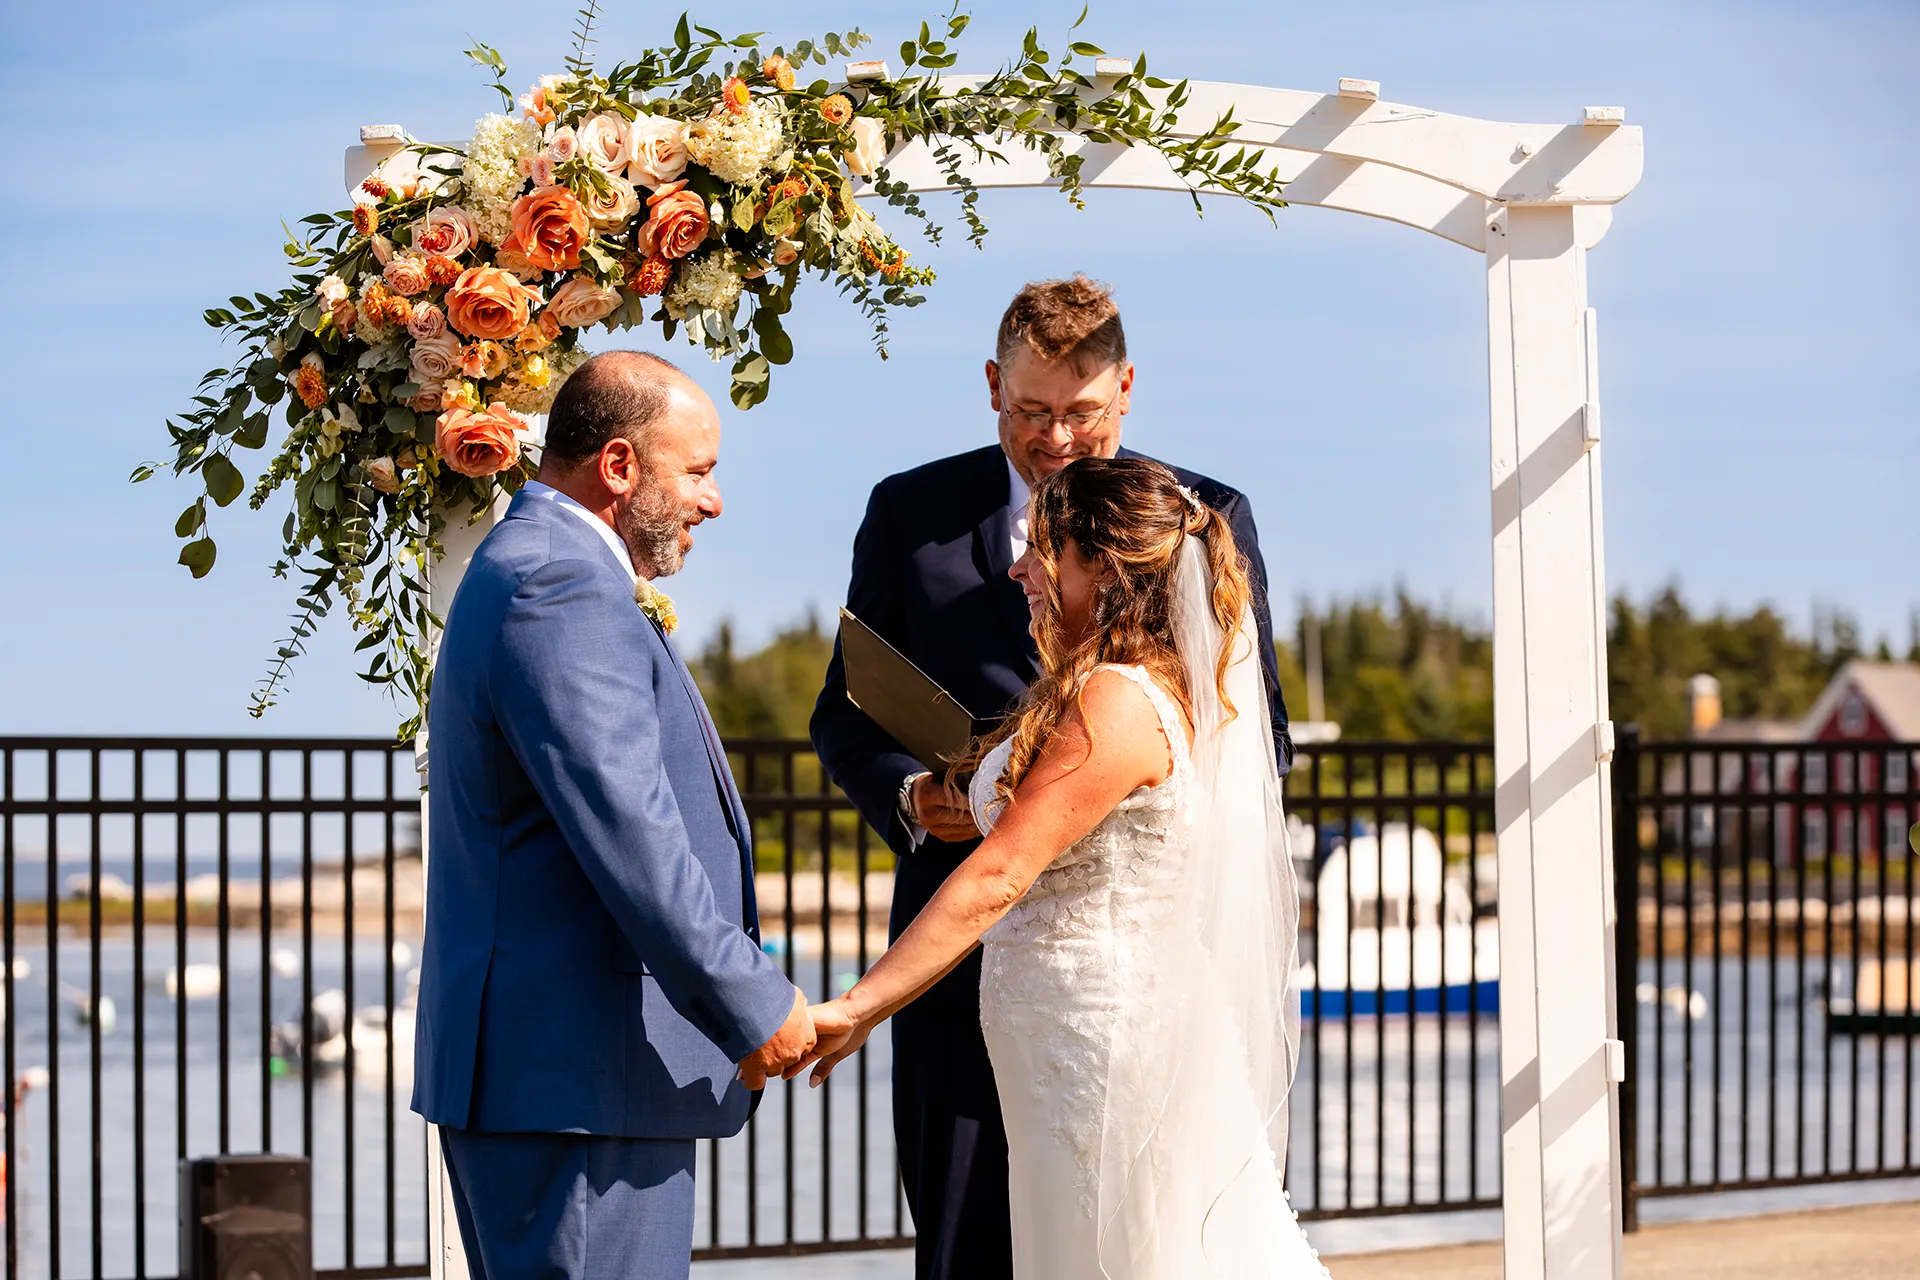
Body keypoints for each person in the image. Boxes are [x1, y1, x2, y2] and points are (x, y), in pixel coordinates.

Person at [809, 276, 1291, 1279]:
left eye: (1080, 412)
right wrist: (915, 797)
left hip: (1118, 984)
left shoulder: (1203, 516)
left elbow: (1255, 737)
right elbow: (843, 709)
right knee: (968, 1249)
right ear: (993, 387)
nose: (1057, 438)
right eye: (1033, 412)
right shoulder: (910, 513)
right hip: (954, 982)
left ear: (1125, 391)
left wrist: (1092, 785)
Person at [412, 351, 816, 1280]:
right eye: (700, 471)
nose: (713, 502)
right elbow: (628, 824)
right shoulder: (560, 585)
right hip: (579, 1085)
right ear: (621, 466)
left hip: (566, 1086)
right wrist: (753, 1002)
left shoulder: (531, 566)